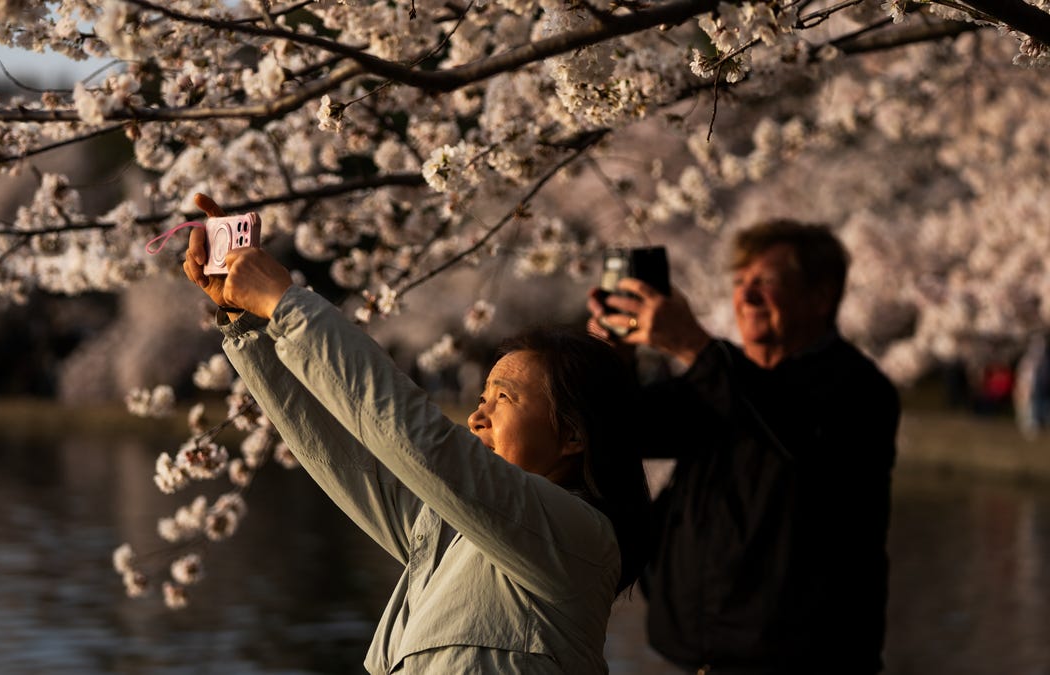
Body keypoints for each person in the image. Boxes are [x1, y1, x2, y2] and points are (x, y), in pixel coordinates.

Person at [182, 194, 650, 673]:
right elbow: (346, 455)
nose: (476, 417)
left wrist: (288, 305)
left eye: (505, 398)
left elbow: (419, 440)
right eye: (481, 398)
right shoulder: (450, 529)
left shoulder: (583, 540)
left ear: (573, 435)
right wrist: (251, 322)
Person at [589, 220, 900, 674]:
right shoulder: (718, 380)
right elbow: (623, 431)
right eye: (740, 283)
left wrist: (694, 346)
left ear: (820, 297)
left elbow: (792, 431)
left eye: (767, 283)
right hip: (697, 657)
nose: (747, 296)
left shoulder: (858, 389)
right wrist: (609, 359)